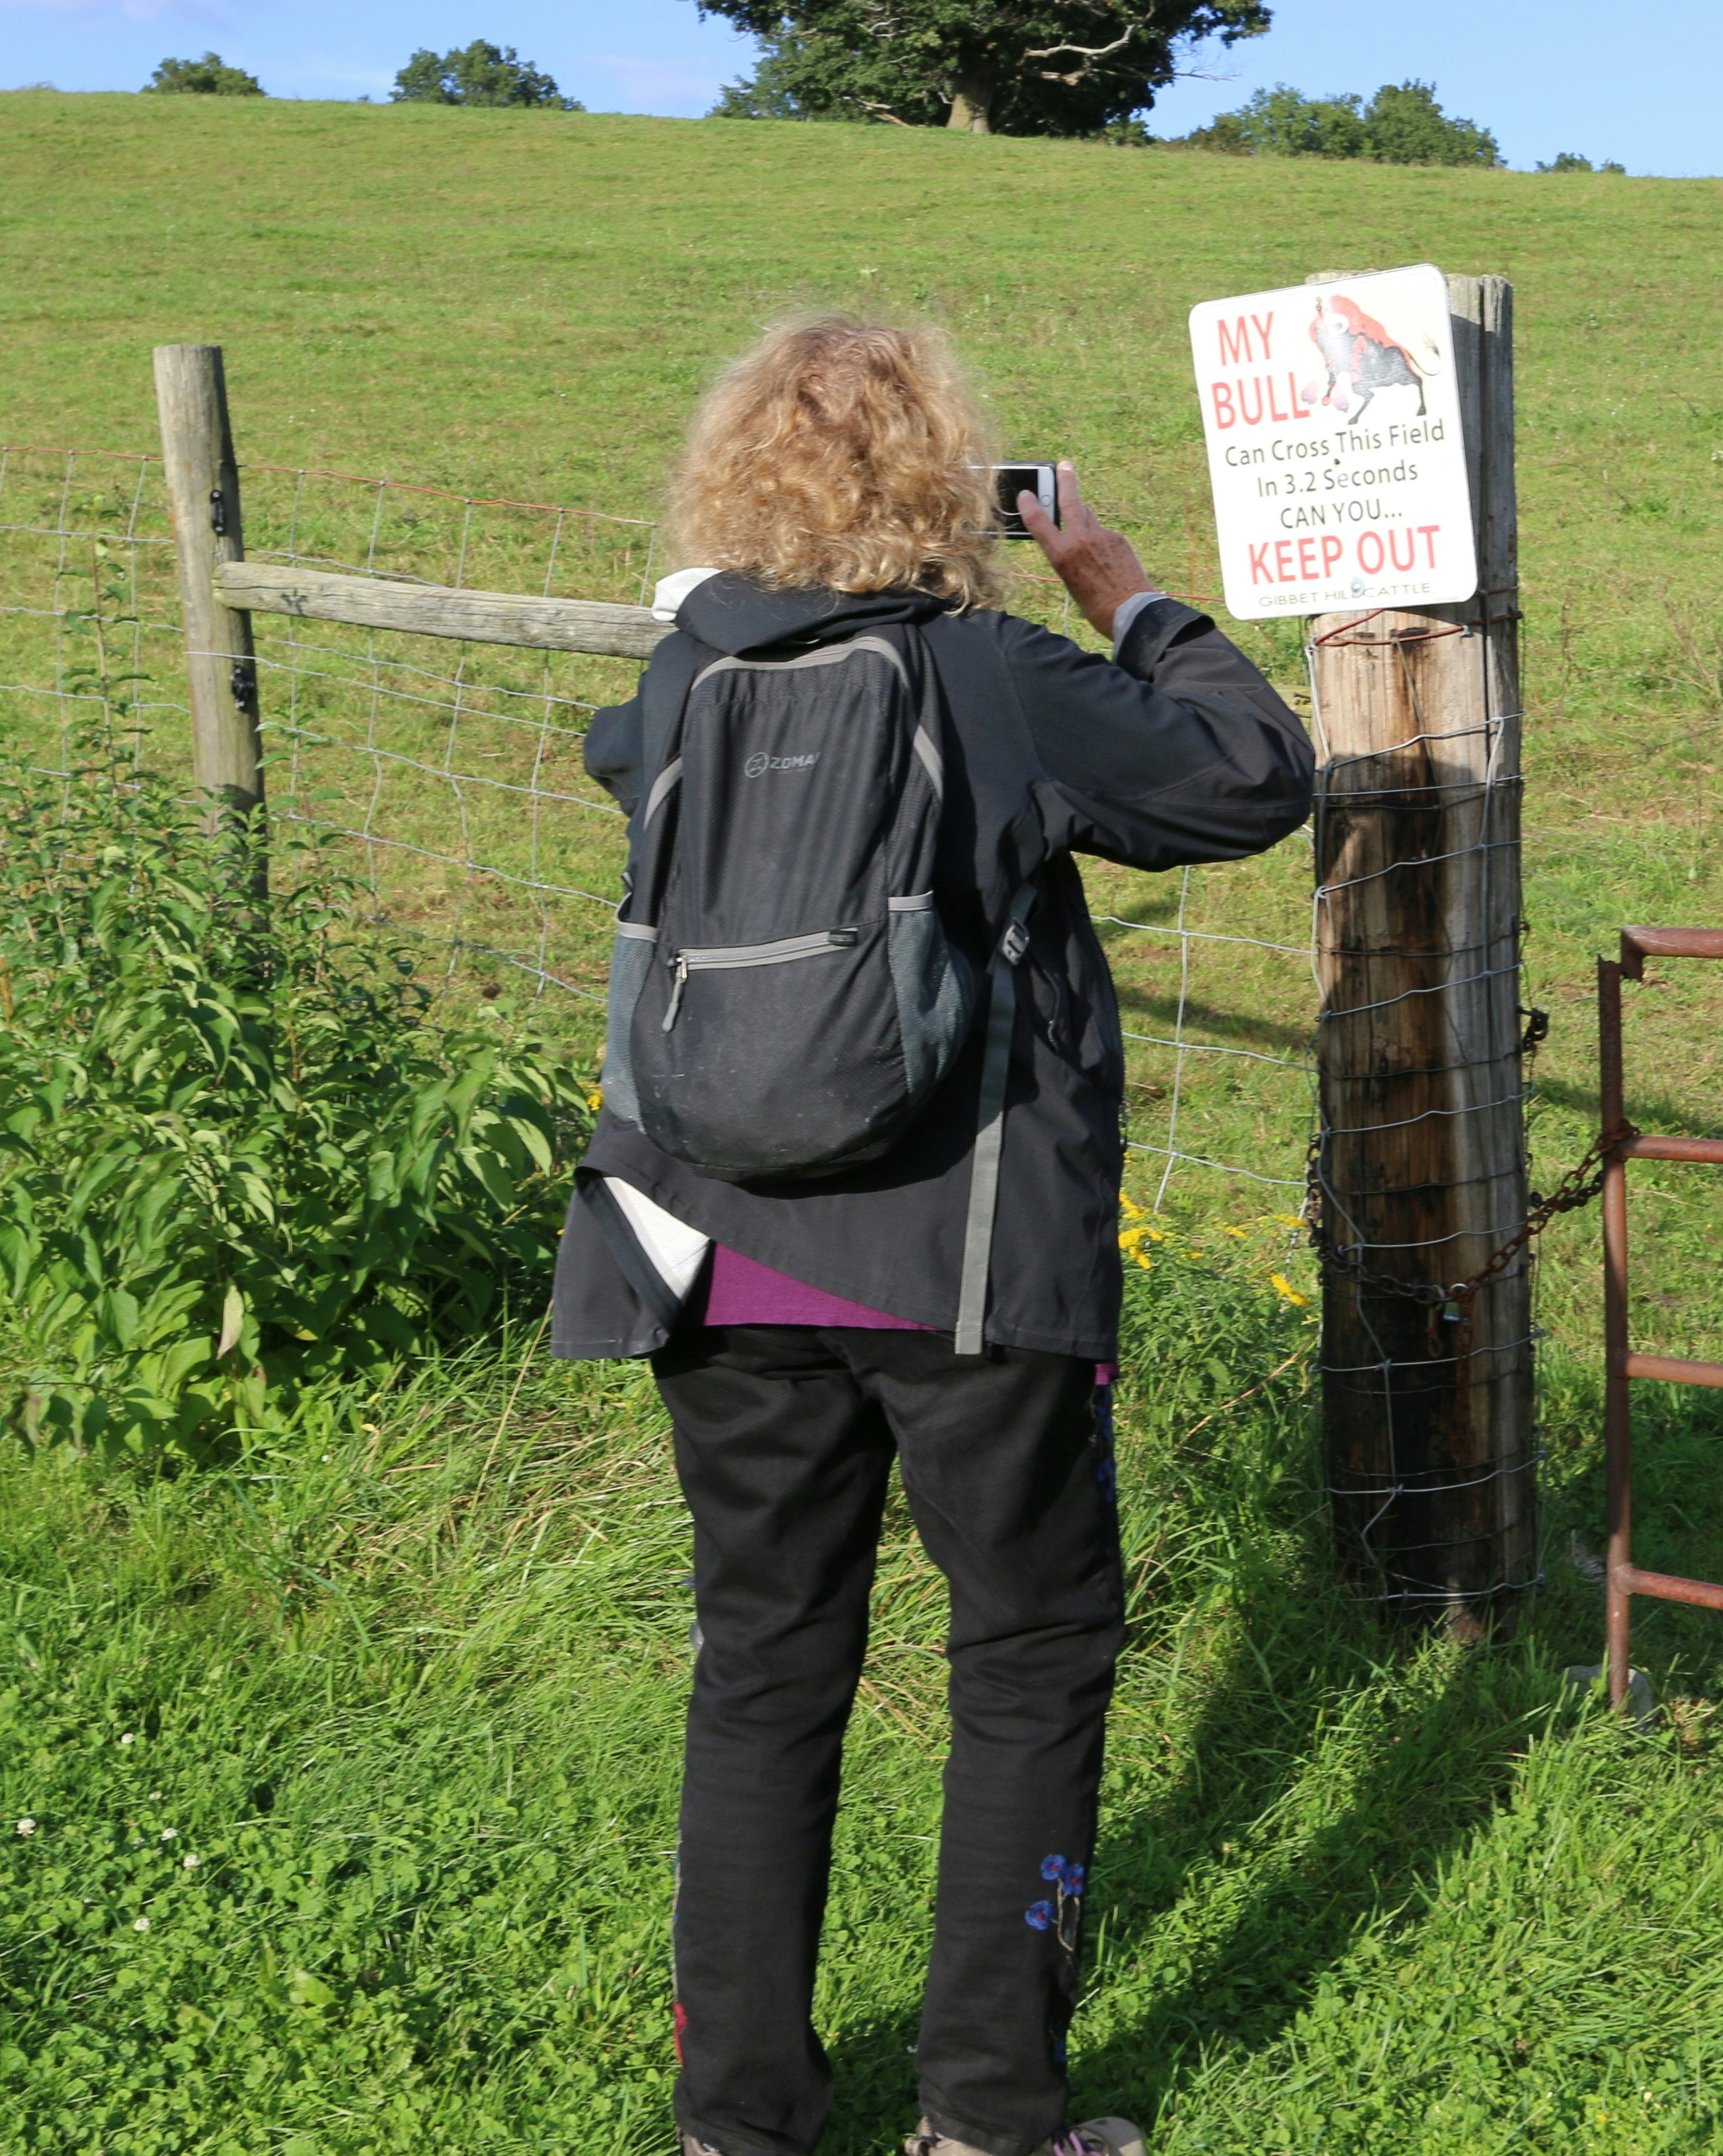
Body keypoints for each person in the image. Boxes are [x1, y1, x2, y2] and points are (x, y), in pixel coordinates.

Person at [549, 318, 1315, 2156]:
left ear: (735, 473)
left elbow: (606, 749)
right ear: (945, 480)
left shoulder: (682, 683)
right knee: (1032, 1651)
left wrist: (716, 617)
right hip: (959, 1270)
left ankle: (739, 2124)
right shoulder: (987, 675)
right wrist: (1120, 586)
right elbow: (1252, 776)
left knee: (764, 1666)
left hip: (703, 1252)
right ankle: (988, 2113)